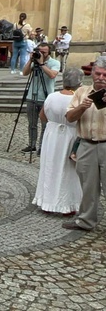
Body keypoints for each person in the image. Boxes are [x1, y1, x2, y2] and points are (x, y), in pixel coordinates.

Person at [62, 57, 106, 232]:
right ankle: (86, 220)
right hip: (86, 145)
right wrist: (81, 107)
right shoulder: (81, 92)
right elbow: (69, 118)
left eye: (105, 74)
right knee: (88, 186)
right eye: (98, 73)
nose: (101, 77)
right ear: (92, 73)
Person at [32, 68, 83, 214]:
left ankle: (46, 200)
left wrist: (54, 124)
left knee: (50, 166)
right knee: (68, 169)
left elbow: (42, 116)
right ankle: (67, 204)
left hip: (52, 135)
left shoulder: (52, 96)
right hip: (70, 135)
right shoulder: (78, 100)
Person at [21, 43, 60, 153]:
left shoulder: (55, 63)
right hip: (31, 96)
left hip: (46, 98)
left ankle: (42, 147)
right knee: (32, 124)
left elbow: (52, 75)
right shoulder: (35, 61)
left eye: (44, 52)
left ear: (49, 52)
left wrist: (42, 64)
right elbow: (24, 73)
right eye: (40, 52)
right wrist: (30, 60)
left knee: (45, 125)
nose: (41, 54)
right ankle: (31, 144)